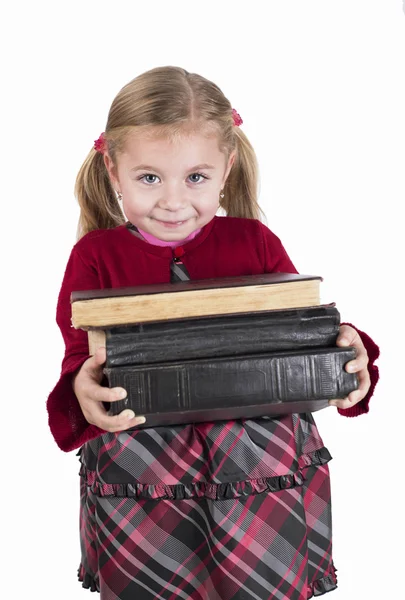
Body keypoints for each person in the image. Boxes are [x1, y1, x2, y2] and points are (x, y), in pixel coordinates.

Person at [47, 65, 379, 600]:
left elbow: (301, 330)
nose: (174, 201)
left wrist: (349, 352)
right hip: (145, 464)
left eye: (195, 177)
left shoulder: (255, 243)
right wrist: (82, 389)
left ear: (226, 168)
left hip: (255, 460)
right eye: (149, 177)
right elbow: (79, 359)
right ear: (113, 169)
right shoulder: (95, 257)